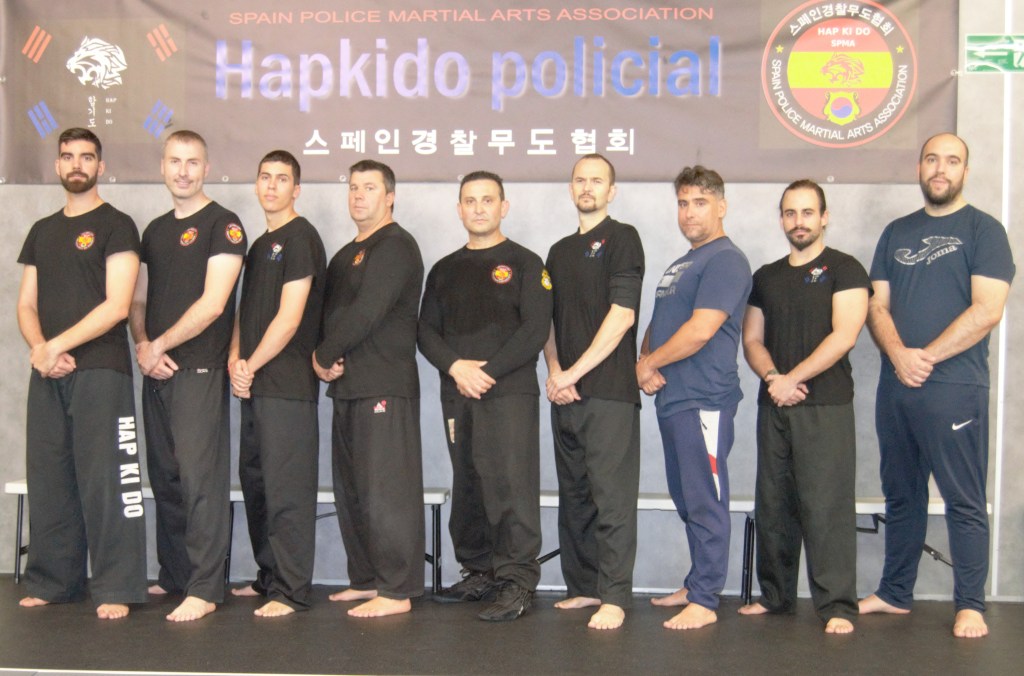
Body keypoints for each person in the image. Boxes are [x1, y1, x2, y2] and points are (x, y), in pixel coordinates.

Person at [859, 133, 1014, 639]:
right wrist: (898, 355)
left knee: (963, 499)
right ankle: (894, 592)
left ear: (965, 170)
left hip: (954, 386)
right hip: (897, 386)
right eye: (932, 159)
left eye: (952, 160)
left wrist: (924, 357)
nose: (940, 168)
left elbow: (988, 309)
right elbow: (876, 304)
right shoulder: (896, 232)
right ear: (919, 168)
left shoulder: (984, 230)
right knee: (901, 495)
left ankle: (971, 604)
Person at [16, 127, 147, 619]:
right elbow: (26, 304)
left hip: (101, 370)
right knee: (50, 478)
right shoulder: (41, 230)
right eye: (68, 156)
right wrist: (40, 350)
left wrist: (56, 346)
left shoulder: (118, 225)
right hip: (49, 373)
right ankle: (54, 580)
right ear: (57, 165)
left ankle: (117, 585)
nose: (77, 164)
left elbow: (117, 306)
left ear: (100, 166)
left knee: (109, 480)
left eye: (86, 157)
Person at [418, 171, 552, 621]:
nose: (478, 208)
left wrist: (486, 372)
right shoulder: (444, 269)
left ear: (503, 207)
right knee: (470, 482)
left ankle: (517, 581)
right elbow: (425, 331)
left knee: (510, 484)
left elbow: (534, 330)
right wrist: (457, 367)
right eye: (470, 201)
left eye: (487, 200)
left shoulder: (526, 263)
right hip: (458, 391)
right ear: (459, 209)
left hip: (508, 391)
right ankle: (479, 570)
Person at [738, 180, 870, 634]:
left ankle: (838, 606)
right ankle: (776, 597)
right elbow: (752, 339)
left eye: (808, 212)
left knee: (826, 506)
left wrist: (793, 378)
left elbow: (845, 335)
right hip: (774, 402)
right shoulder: (766, 277)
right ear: (781, 219)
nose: (799, 221)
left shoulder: (845, 268)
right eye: (791, 213)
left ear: (824, 217)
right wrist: (775, 379)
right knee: (774, 504)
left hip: (825, 406)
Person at [129, 130, 247, 622]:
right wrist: (143, 345)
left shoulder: (225, 224)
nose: (182, 171)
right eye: (174, 161)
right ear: (162, 167)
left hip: (198, 367)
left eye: (192, 162)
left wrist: (158, 345)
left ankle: (204, 586)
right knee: (167, 477)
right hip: (155, 369)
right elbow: (138, 299)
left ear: (206, 168)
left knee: (201, 480)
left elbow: (214, 303)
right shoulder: (155, 231)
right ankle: (176, 574)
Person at [636, 165, 751, 631]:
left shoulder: (725, 260)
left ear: (721, 206)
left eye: (700, 202)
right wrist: (645, 361)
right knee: (687, 497)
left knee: (705, 498)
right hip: (674, 397)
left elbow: (701, 330)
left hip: (704, 397)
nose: (689, 212)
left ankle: (705, 598)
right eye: (683, 203)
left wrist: (650, 364)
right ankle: (695, 582)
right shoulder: (683, 262)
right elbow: (661, 320)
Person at [314, 159, 425, 618]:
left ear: (390, 197)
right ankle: (366, 579)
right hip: (348, 386)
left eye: (370, 188)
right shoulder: (345, 255)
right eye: (353, 187)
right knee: (353, 491)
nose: (359, 195)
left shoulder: (396, 246)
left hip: (384, 384)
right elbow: (330, 317)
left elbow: (367, 312)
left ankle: (396, 590)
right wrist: (327, 359)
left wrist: (322, 355)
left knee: (386, 491)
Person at [544, 154, 644, 630]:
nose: (587, 187)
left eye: (597, 180)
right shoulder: (558, 251)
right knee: (576, 498)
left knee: (612, 499)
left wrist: (574, 373)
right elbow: (546, 322)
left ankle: (615, 596)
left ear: (611, 191)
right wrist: (555, 371)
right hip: (565, 393)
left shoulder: (623, 239)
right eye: (580, 180)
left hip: (608, 394)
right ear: (571, 189)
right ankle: (584, 588)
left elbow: (622, 316)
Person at [228, 151, 326, 617]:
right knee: (258, 485)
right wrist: (235, 359)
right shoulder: (258, 245)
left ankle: (291, 589)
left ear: (296, 189)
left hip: (287, 385)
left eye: (281, 179)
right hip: (254, 383)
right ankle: (269, 575)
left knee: (288, 491)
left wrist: (250, 364)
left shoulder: (301, 237)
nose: (271, 185)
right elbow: (244, 312)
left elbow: (290, 318)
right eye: (265, 177)